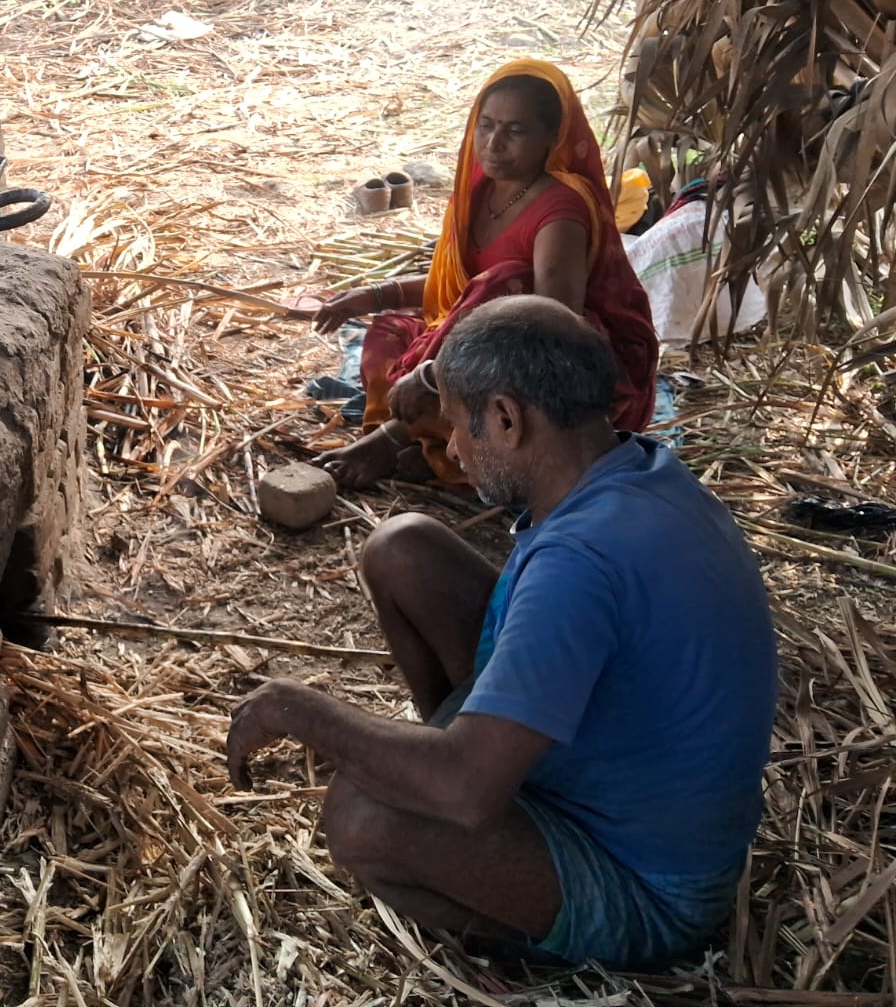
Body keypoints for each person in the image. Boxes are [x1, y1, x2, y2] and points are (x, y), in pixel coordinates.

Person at [228, 297, 777, 968]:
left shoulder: (580, 564)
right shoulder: (631, 472)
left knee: (362, 819)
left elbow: (464, 792)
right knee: (403, 547)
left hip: (649, 887)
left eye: (460, 426)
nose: (454, 448)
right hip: (623, 782)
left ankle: (533, 946)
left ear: (509, 419)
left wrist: (297, 710)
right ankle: (467, 759)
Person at [312, 60, 658, 487]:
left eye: (515, 131)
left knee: (505, 283)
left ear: (553, 137)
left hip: (558, 357)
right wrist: (371, 296)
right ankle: (442, 446)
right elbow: (455, 289)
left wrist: (433, 375)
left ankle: (399, 436)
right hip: (485, 337)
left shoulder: (561, 211)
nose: (494, 143)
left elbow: (546, 325)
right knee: (389, 330)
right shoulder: (480, 191)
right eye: (487, 125)